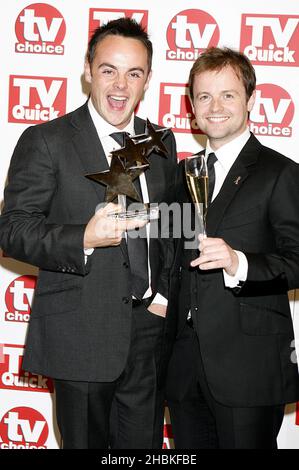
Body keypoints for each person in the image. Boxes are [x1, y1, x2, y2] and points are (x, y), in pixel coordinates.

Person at [0, 18, 177, 449]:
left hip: (150, 337)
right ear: (87, 70)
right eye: (108, 70)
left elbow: (171, 229)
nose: (120, 85)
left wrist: (164, 297)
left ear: (148, 79)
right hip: (80, 335)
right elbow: (12, 230)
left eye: (134, 73)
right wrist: (83, 237)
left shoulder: (162, 142)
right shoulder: (46, 140)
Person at [166, 47, 299, 449]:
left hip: (248, 367)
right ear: (192, 106)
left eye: (228, 95)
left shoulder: (281, 173)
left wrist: (239, 262)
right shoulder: (181, 175)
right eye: (204, 96)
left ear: (251, 100)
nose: (215, 106)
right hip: (184, 366)